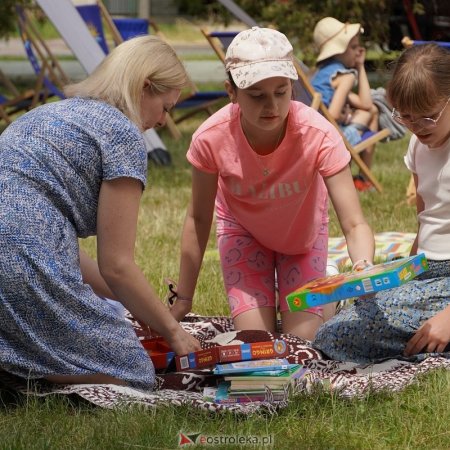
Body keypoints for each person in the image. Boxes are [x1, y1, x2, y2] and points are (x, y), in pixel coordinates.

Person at [0, 35, 201, 389]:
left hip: (21, 254)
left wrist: (144, 305)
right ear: (144, 87)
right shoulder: (122, 135)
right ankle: (26, 380)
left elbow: (64, 253)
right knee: (132, 372)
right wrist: (172, 331)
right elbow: (117, 264)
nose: (162, 121)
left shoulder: (52, 112)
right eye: (166, 108)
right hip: (20, 267)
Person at [170, 27, 374, 341]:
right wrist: (183, 297)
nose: (272, 106)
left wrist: (363, 266)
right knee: (256, 341)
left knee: (302, 340)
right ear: (231, 92)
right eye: (257, 95)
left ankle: (331, 293)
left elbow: (354, 221)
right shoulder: (210, 138)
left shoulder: (318, 134)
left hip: (302, 238)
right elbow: (197, 219)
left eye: (281, 92)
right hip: (243, 234)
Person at [313, 43, 450, 362]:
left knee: (339, 334)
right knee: (357, 315)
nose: (415, 127)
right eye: (405, 117)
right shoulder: (418, 145)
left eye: (428, 117)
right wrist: (401, 276)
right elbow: (425, 217)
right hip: (426, 272)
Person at [311, 17, 379, 192]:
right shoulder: (346, 76)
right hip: (332, 140)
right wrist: (347, 117)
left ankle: (360, 178)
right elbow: (334, 114)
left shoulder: (323, 73)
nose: (359, 51)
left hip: (314, 137)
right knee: (372, 111)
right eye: (353, 47)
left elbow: (362, 102)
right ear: (338, 51)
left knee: (370, 110)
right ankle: (363, 179)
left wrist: (360, 65)